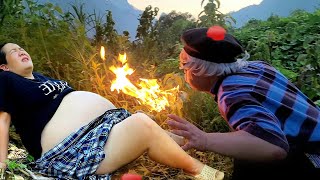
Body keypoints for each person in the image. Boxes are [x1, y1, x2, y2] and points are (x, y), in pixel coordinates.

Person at [0, 42, 225, 180]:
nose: (20, 51)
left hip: (100, 132)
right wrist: (1, 164)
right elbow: (2, 121)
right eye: (13, 51)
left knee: (162, 131)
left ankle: (203, 145)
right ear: (4, 66)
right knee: (142, 123)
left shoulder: (40, 79)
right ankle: (199, 171)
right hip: (72, 150)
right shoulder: (5, 80)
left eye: (21, 48)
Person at [167, 26, 320, 180]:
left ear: (200, 70)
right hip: (311, 136)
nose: (183, 71)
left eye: (184, 66)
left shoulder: (233, 94)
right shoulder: (258, 67)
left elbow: (274, 148)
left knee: (251, 155)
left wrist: (205, 139)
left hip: (314, 155)